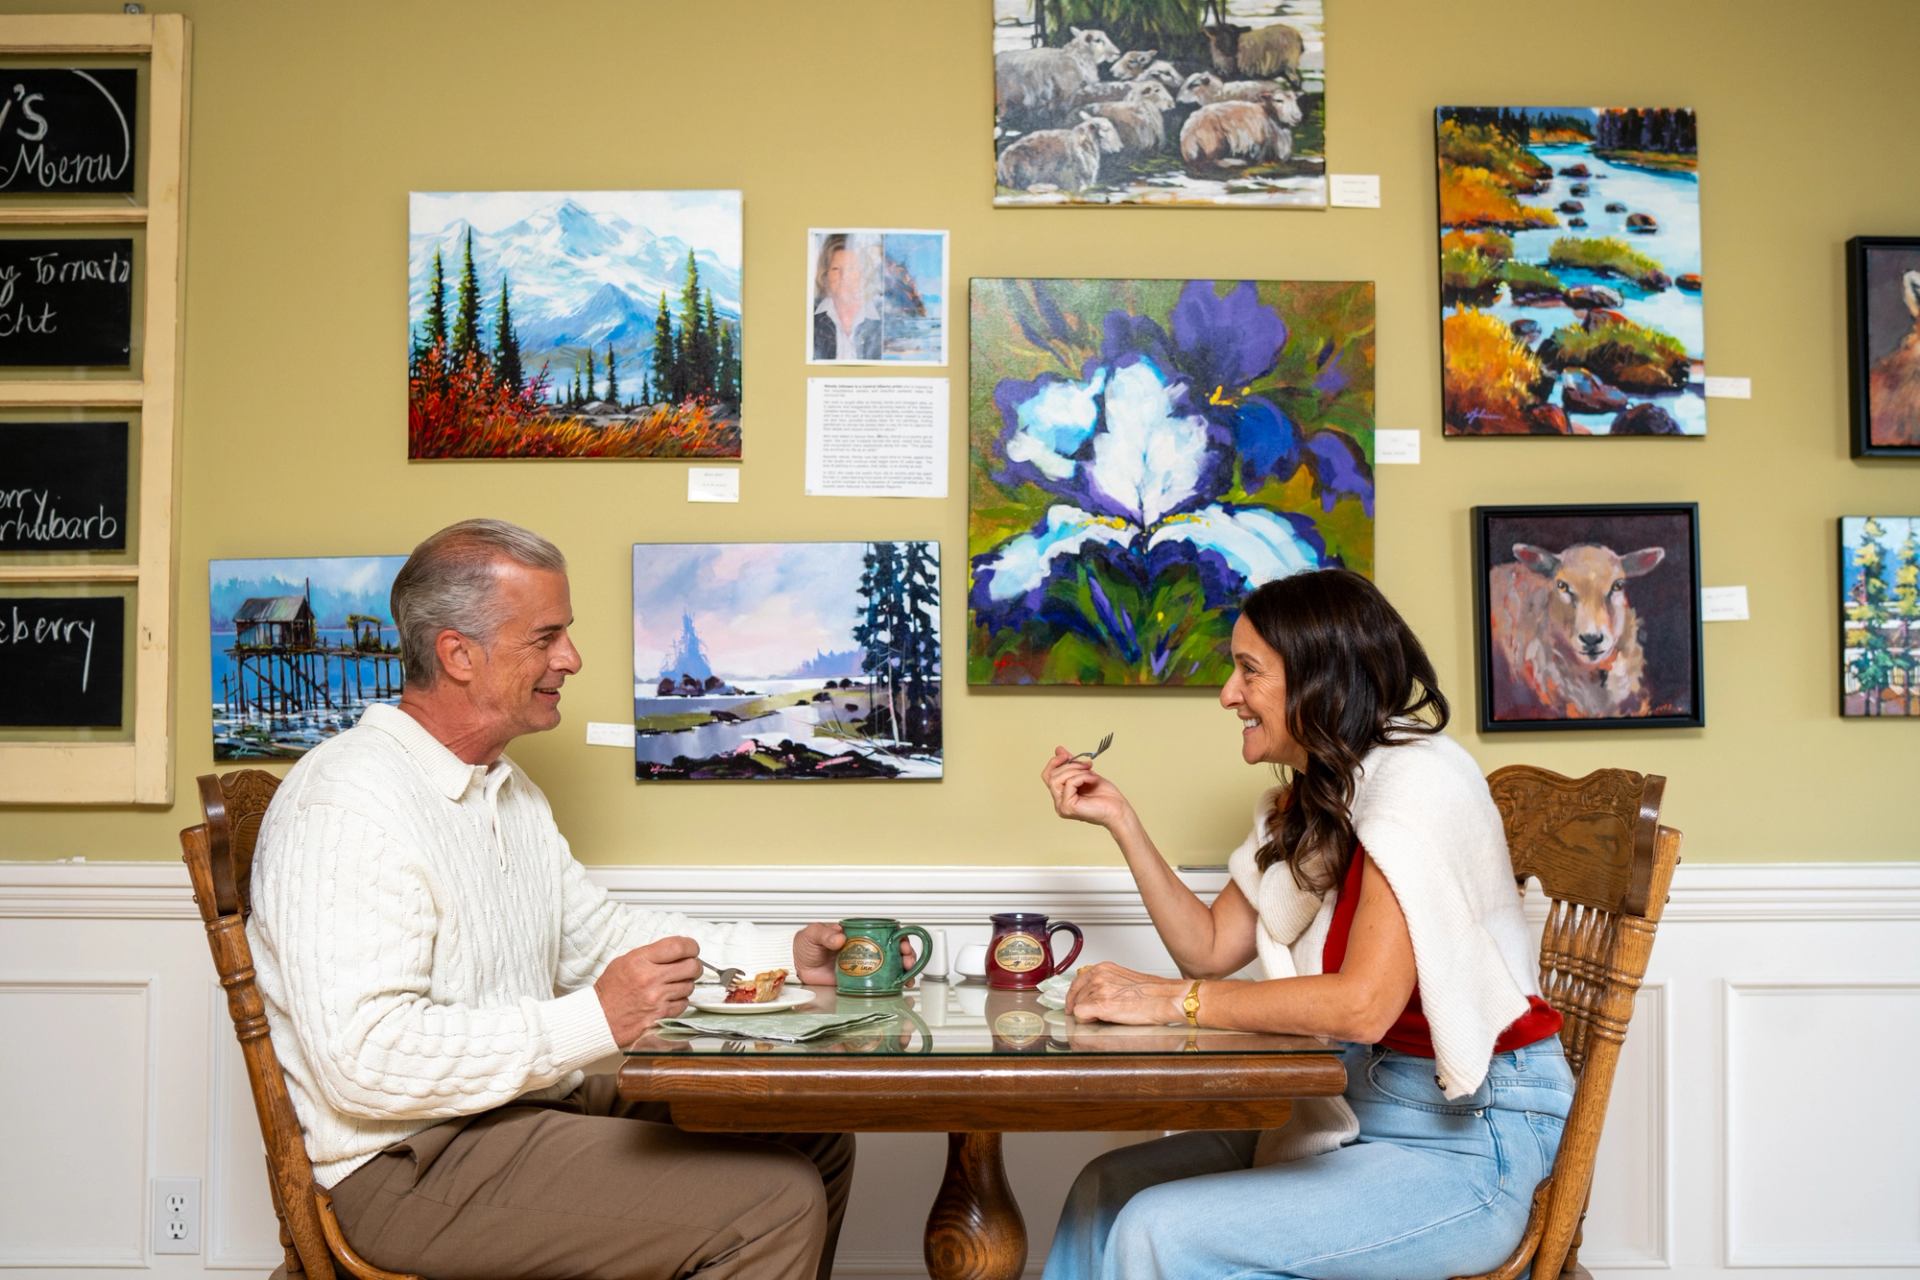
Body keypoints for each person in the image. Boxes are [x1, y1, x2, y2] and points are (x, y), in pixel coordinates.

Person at [248, 518, 865, 1280]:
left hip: (519, 1112)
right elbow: (365, 1061)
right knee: (772, 1201)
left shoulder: (507, 793)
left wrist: (786, 960)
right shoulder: (347, 801)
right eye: (546, 637)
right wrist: (594, 1018)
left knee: (813, 1137)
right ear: (458, 654)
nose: (571, 658)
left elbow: (600, 936)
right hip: (405, 1167)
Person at [1036, 568, 1574, 1280]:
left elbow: (1360, 1005)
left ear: (1321, 680)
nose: (1228, 694)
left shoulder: (1419, 783)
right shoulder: (1327, 797)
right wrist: (1121, 821)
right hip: (1358, 1108)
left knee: (1157, 1231)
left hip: (1468, 1143)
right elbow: (1209, 947)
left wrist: (1172, 1000)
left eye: (1248, 671)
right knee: (1103, 1192)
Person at [811, 232, 882, 360]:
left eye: (851, 268)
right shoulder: (809, 317)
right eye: (836, 269)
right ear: (825, 275)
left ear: (864, 274)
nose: (844, 276)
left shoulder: (884, 317)